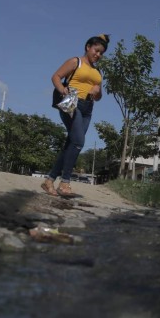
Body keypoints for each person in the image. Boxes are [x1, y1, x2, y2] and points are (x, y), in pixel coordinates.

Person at [41, 34, 109, 197]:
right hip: (71, 102)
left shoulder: (98, 72)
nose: (98, 55)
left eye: (101, 53)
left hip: (88, 108)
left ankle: (49, 181)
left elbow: (98, 97)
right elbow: (56, 77)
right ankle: (65, 182)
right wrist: (62, 89)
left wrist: (97, 92)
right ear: (88, 47)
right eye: (96, 50)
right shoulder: (75, 62)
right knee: (79, 141)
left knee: (71, 143)